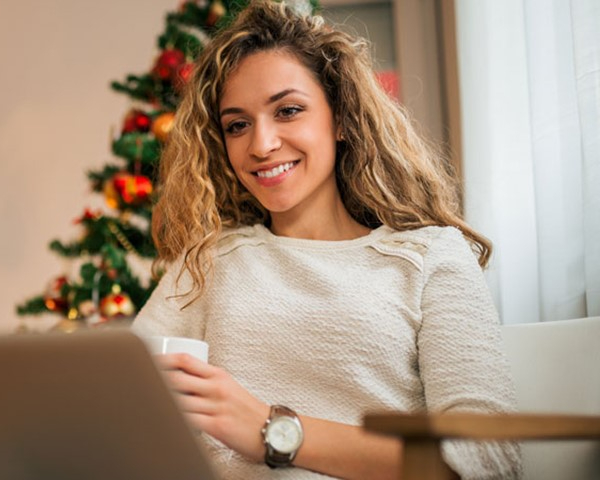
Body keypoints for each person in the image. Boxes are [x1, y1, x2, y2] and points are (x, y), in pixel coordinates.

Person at [130, 1, 522, 479]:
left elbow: (488, 459)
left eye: (288, 111)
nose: (261, 144)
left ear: (340, 118)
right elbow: (118, 407)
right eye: (238, 125)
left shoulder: (428, 257)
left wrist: (271, 431)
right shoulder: (210, 262)